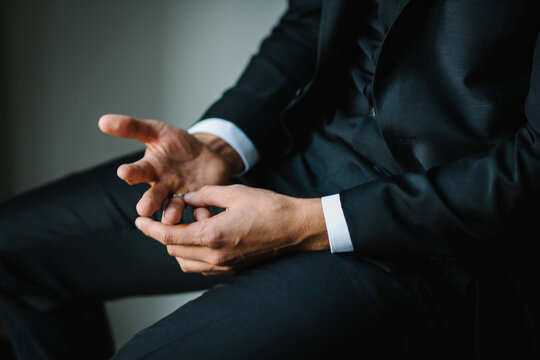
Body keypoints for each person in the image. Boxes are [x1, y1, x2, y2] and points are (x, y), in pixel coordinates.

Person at [1, 0, 538, 358]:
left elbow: (531, 172)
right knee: (13, 251)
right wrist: (222, 142)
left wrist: (308, 224)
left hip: (447, 231)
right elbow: (309, 20)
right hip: (304, 156)